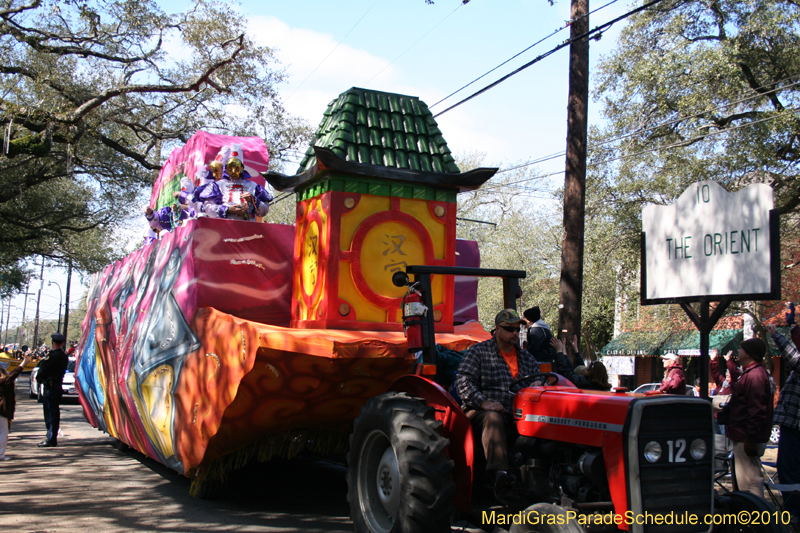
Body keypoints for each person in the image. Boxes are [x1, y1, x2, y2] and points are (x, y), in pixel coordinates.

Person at [455, 308, 540, 490]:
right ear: (497, 329)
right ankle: (500, 475)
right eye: (510, 329)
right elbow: (463, 381)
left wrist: (537, 387)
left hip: (518, 413)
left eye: (518, 329)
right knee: (492, 418)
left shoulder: (527, 358)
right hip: (479, 411)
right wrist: (485, 403)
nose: (515, 333)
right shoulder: (478, 352)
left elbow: (538, 380)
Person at [726, 337, 773, 498]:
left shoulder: (755, 376)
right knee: (743, 484)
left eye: (741, 349)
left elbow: (757, 410)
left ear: (749, 354)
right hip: (742, 435)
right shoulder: (752, 374)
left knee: (750, 484)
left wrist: (751, 438)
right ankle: (746, 518)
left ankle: (755, 520)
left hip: (746, 437)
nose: (739, 351)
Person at [766, 318, 800, 521]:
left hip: (795, 427)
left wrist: (775, 334)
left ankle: (794, 513)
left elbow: (794, 358)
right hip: (792, 425)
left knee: (789, 470)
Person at [203, 157, 273, 221]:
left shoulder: (253, 186)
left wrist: (254, 200)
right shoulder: (217, 185)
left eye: (236, 168)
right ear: (226, 169)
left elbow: (264, 210)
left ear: (242, 169)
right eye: (230, 168)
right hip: (223, 227)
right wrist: (227, 209)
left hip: (246, 228)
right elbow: (207, 207)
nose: (233, 171)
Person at [36, 333, 69, 447]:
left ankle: (51, 438)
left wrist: (39, 378)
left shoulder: (52, 356)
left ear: (53, 343)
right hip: (57, 386)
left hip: (50, 387)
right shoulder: (64, 356)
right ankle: (51, 436)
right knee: (54, 411)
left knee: (50, 413)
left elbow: (43, 369)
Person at [0, 354, 31, 459]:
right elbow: (15, 373)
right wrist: (24, 362)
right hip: (2, 410)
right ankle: (0, 454)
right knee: (3, 432)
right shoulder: (5, 381)